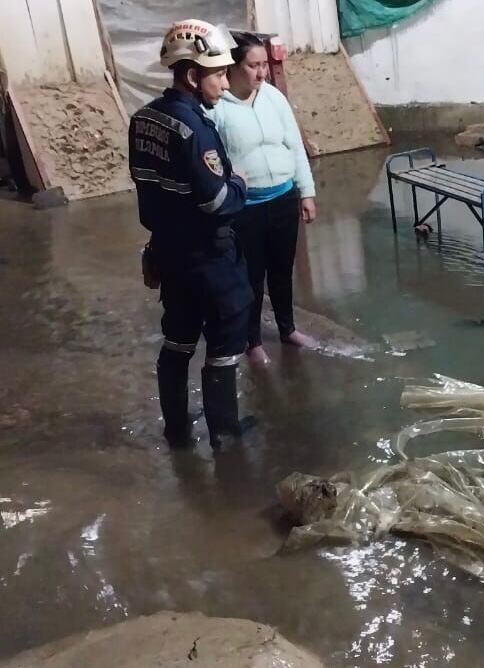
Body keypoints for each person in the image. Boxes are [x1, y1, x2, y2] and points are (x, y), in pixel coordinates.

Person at [129, 19, 254, 448]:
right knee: (223, 345)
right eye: (218, 74)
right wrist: (239, 184)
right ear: (191, 75)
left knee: (177, 342)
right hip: (209, 259)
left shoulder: (143, 119)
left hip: (169, 253)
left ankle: (177, 432)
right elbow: (218, 201)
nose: (225, 82)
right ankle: (226, 439)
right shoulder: (194, 128)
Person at [207, 31, 318, 369]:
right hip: (245, 208)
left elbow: (294, 146)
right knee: (251, 277)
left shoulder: (273, 98)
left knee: (282, 270)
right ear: (233, 67)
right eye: (253, 66)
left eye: (264, 65)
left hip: (283, 197)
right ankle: (252, 341)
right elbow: (212, 162)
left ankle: (288, 329)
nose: (261, 72)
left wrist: (306, 191)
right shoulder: (217, 109)